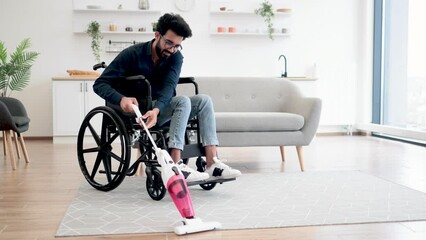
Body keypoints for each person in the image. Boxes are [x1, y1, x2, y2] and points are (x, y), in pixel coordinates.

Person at [93, 13, 241, 183]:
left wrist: (156, 110)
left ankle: (212, 163)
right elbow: (100, 84)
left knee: (204, 100)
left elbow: (169, 87)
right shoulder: (131, 54)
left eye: (177, 46)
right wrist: (121, 99)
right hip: (136, 111)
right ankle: (175, 164)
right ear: (157, 35)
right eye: (169, 43)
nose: (172, 49)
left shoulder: (175, 57)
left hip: (159, 109)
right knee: (182, 101)